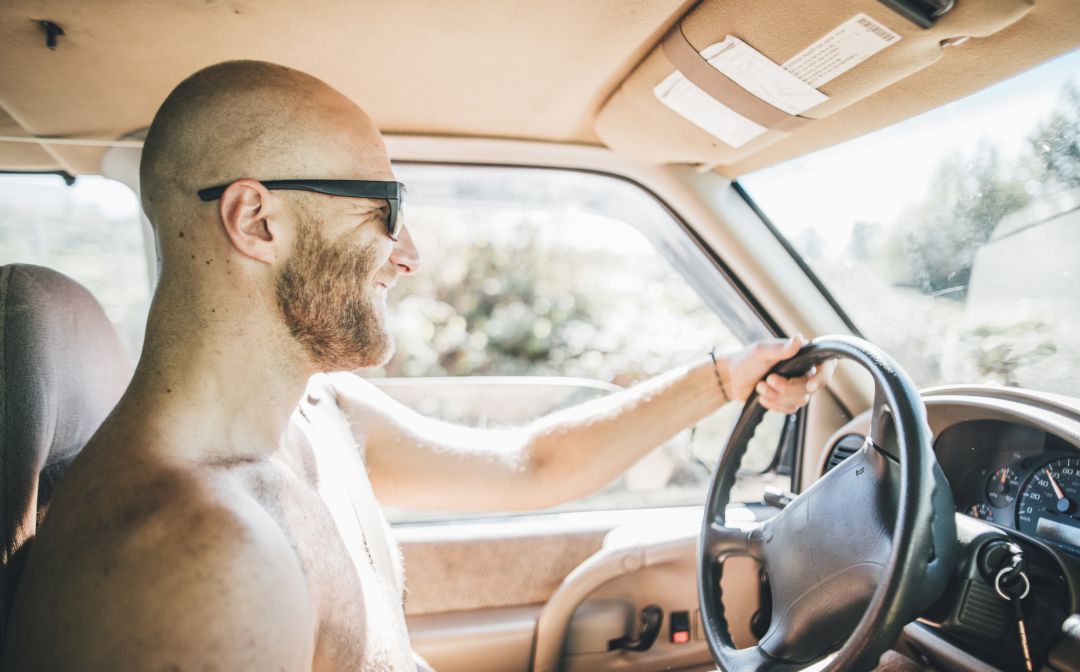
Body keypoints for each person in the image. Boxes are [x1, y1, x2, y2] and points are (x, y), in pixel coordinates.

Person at [3, 61, 831, 671]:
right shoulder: (198, 562)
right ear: (256, 220)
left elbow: (529, 464)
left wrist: (723, 379)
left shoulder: (317, 414)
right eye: (384, 210)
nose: (410, 255)